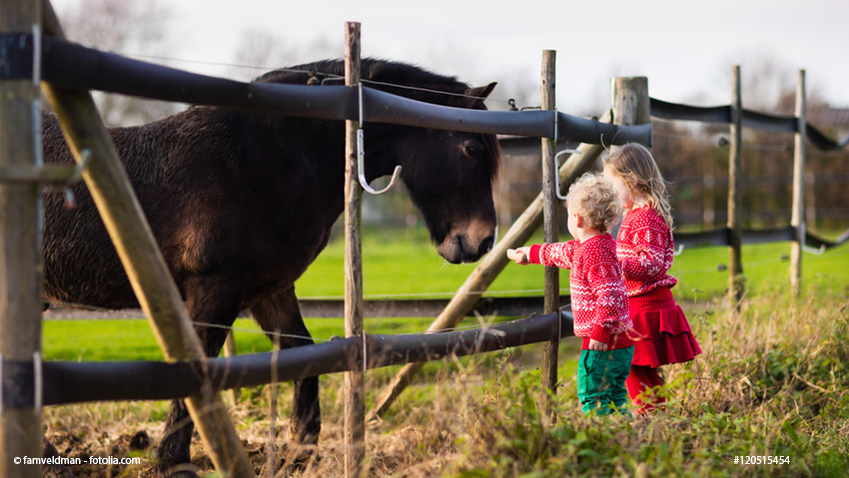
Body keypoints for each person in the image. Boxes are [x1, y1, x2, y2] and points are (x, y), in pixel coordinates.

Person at [507, 172, 633, 415]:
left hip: (604, 342)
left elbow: (610, 294)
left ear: (575, 219)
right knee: (616, 395)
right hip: (621, 344)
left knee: (593, 396)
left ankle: (603, 442)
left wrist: (601, 330)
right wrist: (530, 254)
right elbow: (560, 252)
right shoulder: (596, 246)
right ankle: (628, 437)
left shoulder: (593, 253)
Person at [602, 143, 702, 414]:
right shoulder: (634, 215)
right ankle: (656, 420)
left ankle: (651, 422)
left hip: (647, 307)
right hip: (638, 305)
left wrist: (613, 262)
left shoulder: (646, 218)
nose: (611, 195)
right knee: (637, 371)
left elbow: (650, 264)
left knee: (632, 368)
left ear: (632, 181)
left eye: (614, 187)